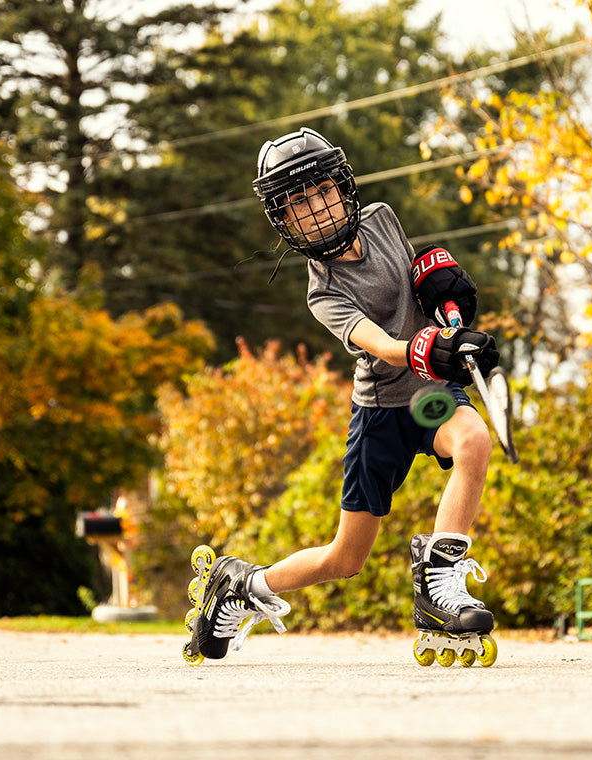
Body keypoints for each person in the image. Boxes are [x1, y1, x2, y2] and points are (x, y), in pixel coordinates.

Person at [183, 127, 502, 667]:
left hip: (429, 397)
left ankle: (439, 586)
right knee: (345, 557)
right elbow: (379, 343)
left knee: (472, 441)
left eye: (320, 190)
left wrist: (445, 298)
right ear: (284, 221)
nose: (314, 208)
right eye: (297, 202)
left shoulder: (381, 218)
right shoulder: (322, 290)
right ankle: (239, 585)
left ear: (342, 187)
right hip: (380, 413)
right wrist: (427, 347)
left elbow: (414, 280)